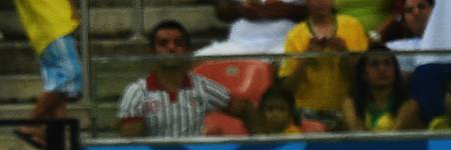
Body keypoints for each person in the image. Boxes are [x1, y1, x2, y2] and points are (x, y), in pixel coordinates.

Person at [118, 20, 255, 138]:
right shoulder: (136, 92)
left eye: (178, 43)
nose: (171, 47)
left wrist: (262, 148)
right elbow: (130, 145)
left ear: (187, 50)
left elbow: (245, 109)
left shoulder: (203, 87)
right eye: (163, 43)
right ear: (152, 51)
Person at [278, 0, 369, 131]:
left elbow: (365, 77)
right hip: (306, 113)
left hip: (346, 111)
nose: (321, 2)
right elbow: (286, 90)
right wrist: (305, 59)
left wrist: (345, 54)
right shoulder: (295, 35)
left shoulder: (353, 26)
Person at [12, 0, 80, 150]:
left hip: (52, 23)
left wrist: (71, 8)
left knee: (56, 87)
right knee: (69, 77)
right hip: (51, 24)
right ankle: (31, 124)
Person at [340, 44, 421, 131]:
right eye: (374, 64)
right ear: (363, 75)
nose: (382, 69)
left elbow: (391, 139)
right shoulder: (350, 104)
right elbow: (358, 136)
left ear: (395, 72)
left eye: (388, 64)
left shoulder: (409, 106)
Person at [196, 0, 306, 57]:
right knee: (198, 60)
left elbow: (316, 11)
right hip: (239, 44)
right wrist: (239, 9)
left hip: (284, 42)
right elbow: (221, 12)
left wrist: (286, 10)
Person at [384, 0, 433, 74]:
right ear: (404, 19)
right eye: (409, 10)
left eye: (422, 7)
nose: (416, 12)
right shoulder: (393, 48)